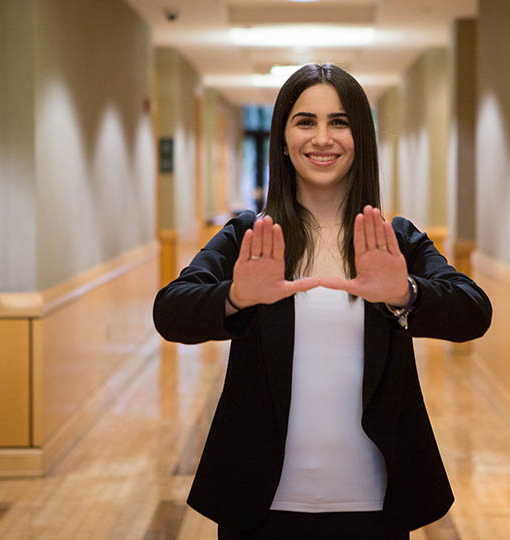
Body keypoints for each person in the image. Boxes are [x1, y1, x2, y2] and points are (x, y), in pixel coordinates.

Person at [153, 64, 492, 540]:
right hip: (261, 502)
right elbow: (171, 311)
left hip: (373, 503)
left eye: (339, 122)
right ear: (284, 137)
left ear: (360, 137)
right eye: (305, 121)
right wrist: (235, 297)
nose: (322, 138)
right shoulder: (251, 237)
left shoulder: (393, 241)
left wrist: (405, 293)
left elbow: (473, 311)